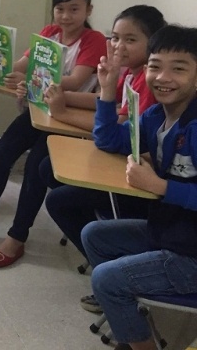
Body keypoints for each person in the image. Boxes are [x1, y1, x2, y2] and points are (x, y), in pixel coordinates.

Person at [0, 0, 106, 267]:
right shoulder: (49, 33)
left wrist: (31, 81)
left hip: (68, 119)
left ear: (88, 10)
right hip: (39, 111)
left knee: (35, 168)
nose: (66, 16)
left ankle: (17, 236)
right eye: (60, 9)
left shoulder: (93, 40)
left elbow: (75, 80)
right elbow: (19, 66)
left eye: (74, 9)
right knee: (1, 154)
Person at [40, 6, 165, 308]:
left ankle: (110, 268)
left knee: (58, 199)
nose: (119, 46)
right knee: (47, 168)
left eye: (130, 40)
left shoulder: (149, 83)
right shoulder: (131, 73)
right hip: (125, 163)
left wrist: (63, 113)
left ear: (153, 43)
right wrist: (63, 96)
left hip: (142, 182)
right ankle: (107, 257)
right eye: (115, 38)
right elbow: (106, 104)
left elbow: (115, 127)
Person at [82, 25, 197, 350]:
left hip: (191, 254)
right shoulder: (154, 116)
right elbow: (109, 140)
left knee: (106, 278)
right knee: (95, 235)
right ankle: (125, 315)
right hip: (172, 232)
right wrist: (107, 91)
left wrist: (161, 186)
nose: (163, 77)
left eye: (179, 69)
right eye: (155, 66)